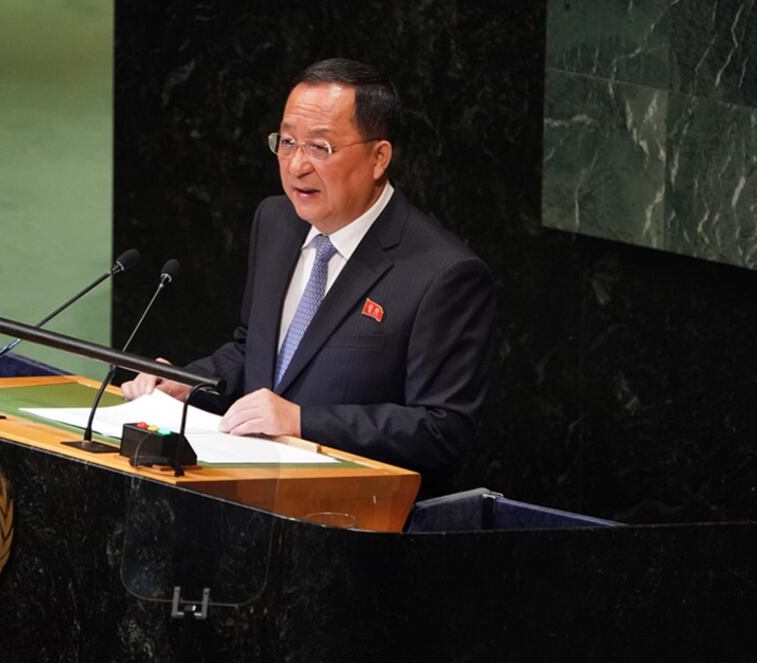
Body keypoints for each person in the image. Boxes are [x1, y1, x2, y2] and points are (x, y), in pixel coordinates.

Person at [122, 58, 494, 495]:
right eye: (287, 142)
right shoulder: (277, 221)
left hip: (353, 521)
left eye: (320, 148)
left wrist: (302, 421)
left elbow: (442, 429)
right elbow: (256, 352)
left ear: (379, 157)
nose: (297, 165)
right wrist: (190, 383)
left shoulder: (443, 274)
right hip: (247, 497)